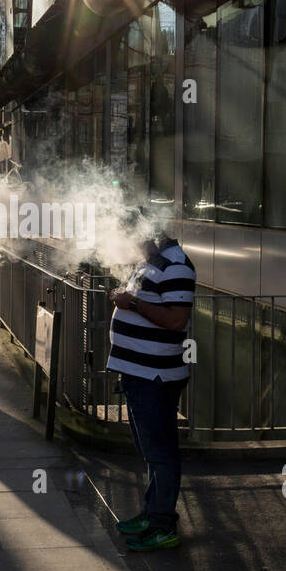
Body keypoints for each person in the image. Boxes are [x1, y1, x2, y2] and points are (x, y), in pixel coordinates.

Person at [105, 224, 196, 552]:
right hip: (139, 373)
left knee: (161, 453)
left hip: (155, 376)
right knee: (152, 453)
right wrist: (122, 298)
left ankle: (162, 525)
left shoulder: (176, 267)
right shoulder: (151, 262)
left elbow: (175, 321)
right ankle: (151, 512)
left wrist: (130, 304)